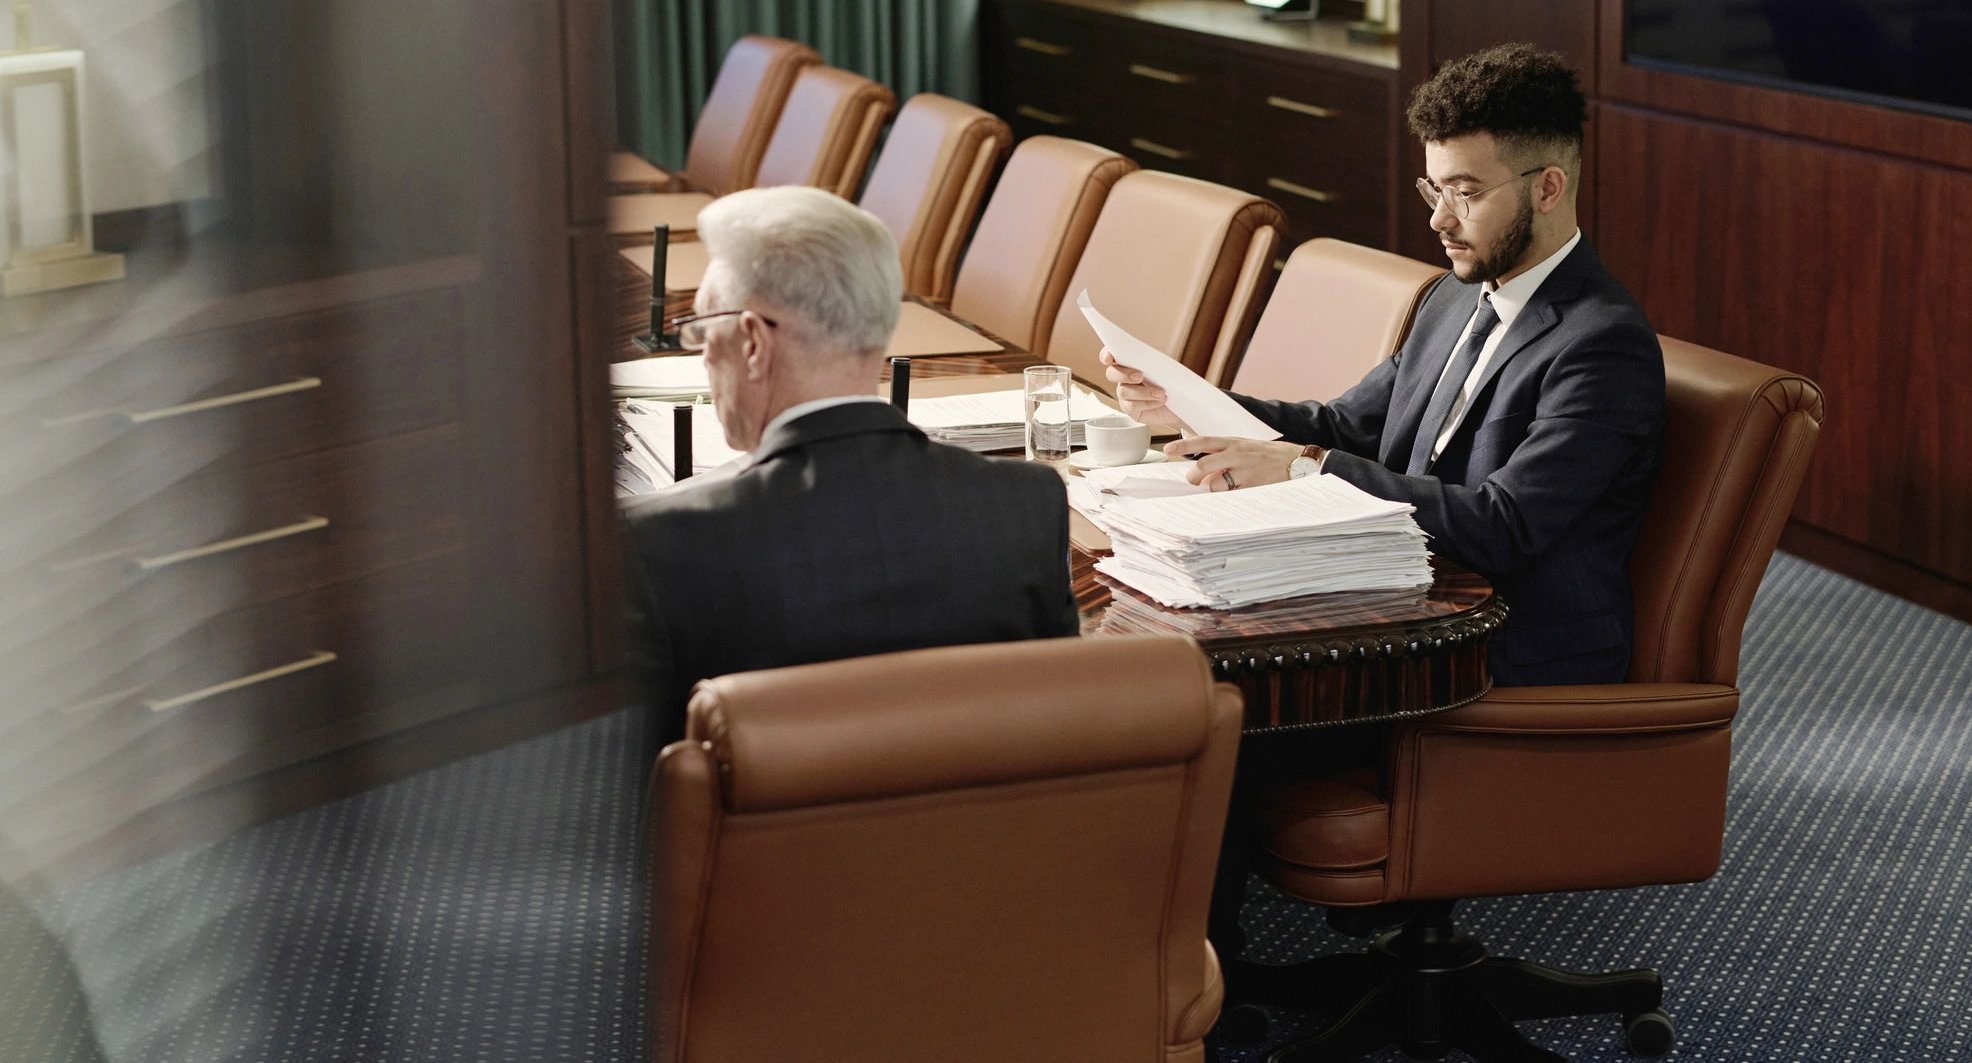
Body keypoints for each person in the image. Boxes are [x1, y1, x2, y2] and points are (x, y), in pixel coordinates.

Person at [1104, 43, 1665, 686]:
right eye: (1435, 188)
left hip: (1501, 650)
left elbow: (1503, 525)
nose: (1438, 219)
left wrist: (1300, 465)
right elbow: (1346, 425)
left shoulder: (1604, 345)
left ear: (1547, 187)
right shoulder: (1453, 295)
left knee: (1198, 690)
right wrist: (1188, 405)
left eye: (1466, 193)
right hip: (1398, 603)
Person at [624, 187, 1078, 732]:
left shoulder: (658, 542)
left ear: (751, 342)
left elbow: (625, 788)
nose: (702, 358)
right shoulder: (1027, 503)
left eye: (702, 331)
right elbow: (1061, 732)